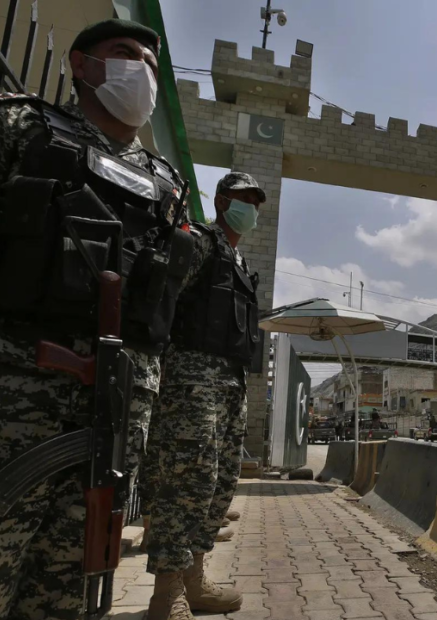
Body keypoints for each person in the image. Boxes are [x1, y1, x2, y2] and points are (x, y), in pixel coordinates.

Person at [0, 19, 193, 620]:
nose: (141, 71)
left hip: (112, 412)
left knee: (72, 591)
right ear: (81, 65)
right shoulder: (16, 128)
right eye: (125, 53)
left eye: (151, 63)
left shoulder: (168, 185)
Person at [139, 171, 263, 620]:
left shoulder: (239, 261)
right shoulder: (200, 243)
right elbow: (161, 301)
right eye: (244, 198)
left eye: (256, 201)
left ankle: (194, 577)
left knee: (219, 481)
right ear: (222, 200)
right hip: (191, 379)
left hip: (229, 383)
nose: (251, 208)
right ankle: (167, 592)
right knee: (186, 479)